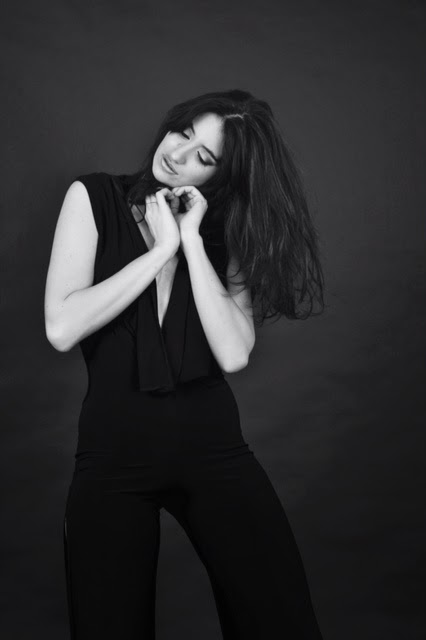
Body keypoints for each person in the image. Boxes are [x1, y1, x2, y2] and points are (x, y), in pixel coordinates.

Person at [44, 89, 325, 639]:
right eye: (183, 132)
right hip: (112, 455)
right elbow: (62, 327)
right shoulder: (93, 196)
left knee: (281, 622)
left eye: (204, 156)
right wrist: (158, 252)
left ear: (221, 176)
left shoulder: (226, 229)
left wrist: (191, 243)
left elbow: (234, 353)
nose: (177, 154)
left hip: (214, 451)